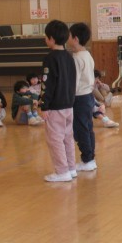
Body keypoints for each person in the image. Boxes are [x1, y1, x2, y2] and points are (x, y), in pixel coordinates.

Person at [41, 20, 77, 182]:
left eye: (46, 37)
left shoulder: (50, 58)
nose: (45, 39)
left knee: (55, 139)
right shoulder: (69, 57)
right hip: (69, 104)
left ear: (52, 39)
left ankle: (62, 171)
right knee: (67, 137)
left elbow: (47, 84)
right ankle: (71, 168)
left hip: (55, 106)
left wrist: (44, 105)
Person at [69, 22, 97, 173]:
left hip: (79, 98)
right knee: (88, 128)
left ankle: (87, 160)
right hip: (88, 96)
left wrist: (68, 98)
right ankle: (90, 158)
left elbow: (74, 82)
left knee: (81, 130)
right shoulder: (87, 55)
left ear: (75, 39)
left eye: (69, 36)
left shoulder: (76, 58)